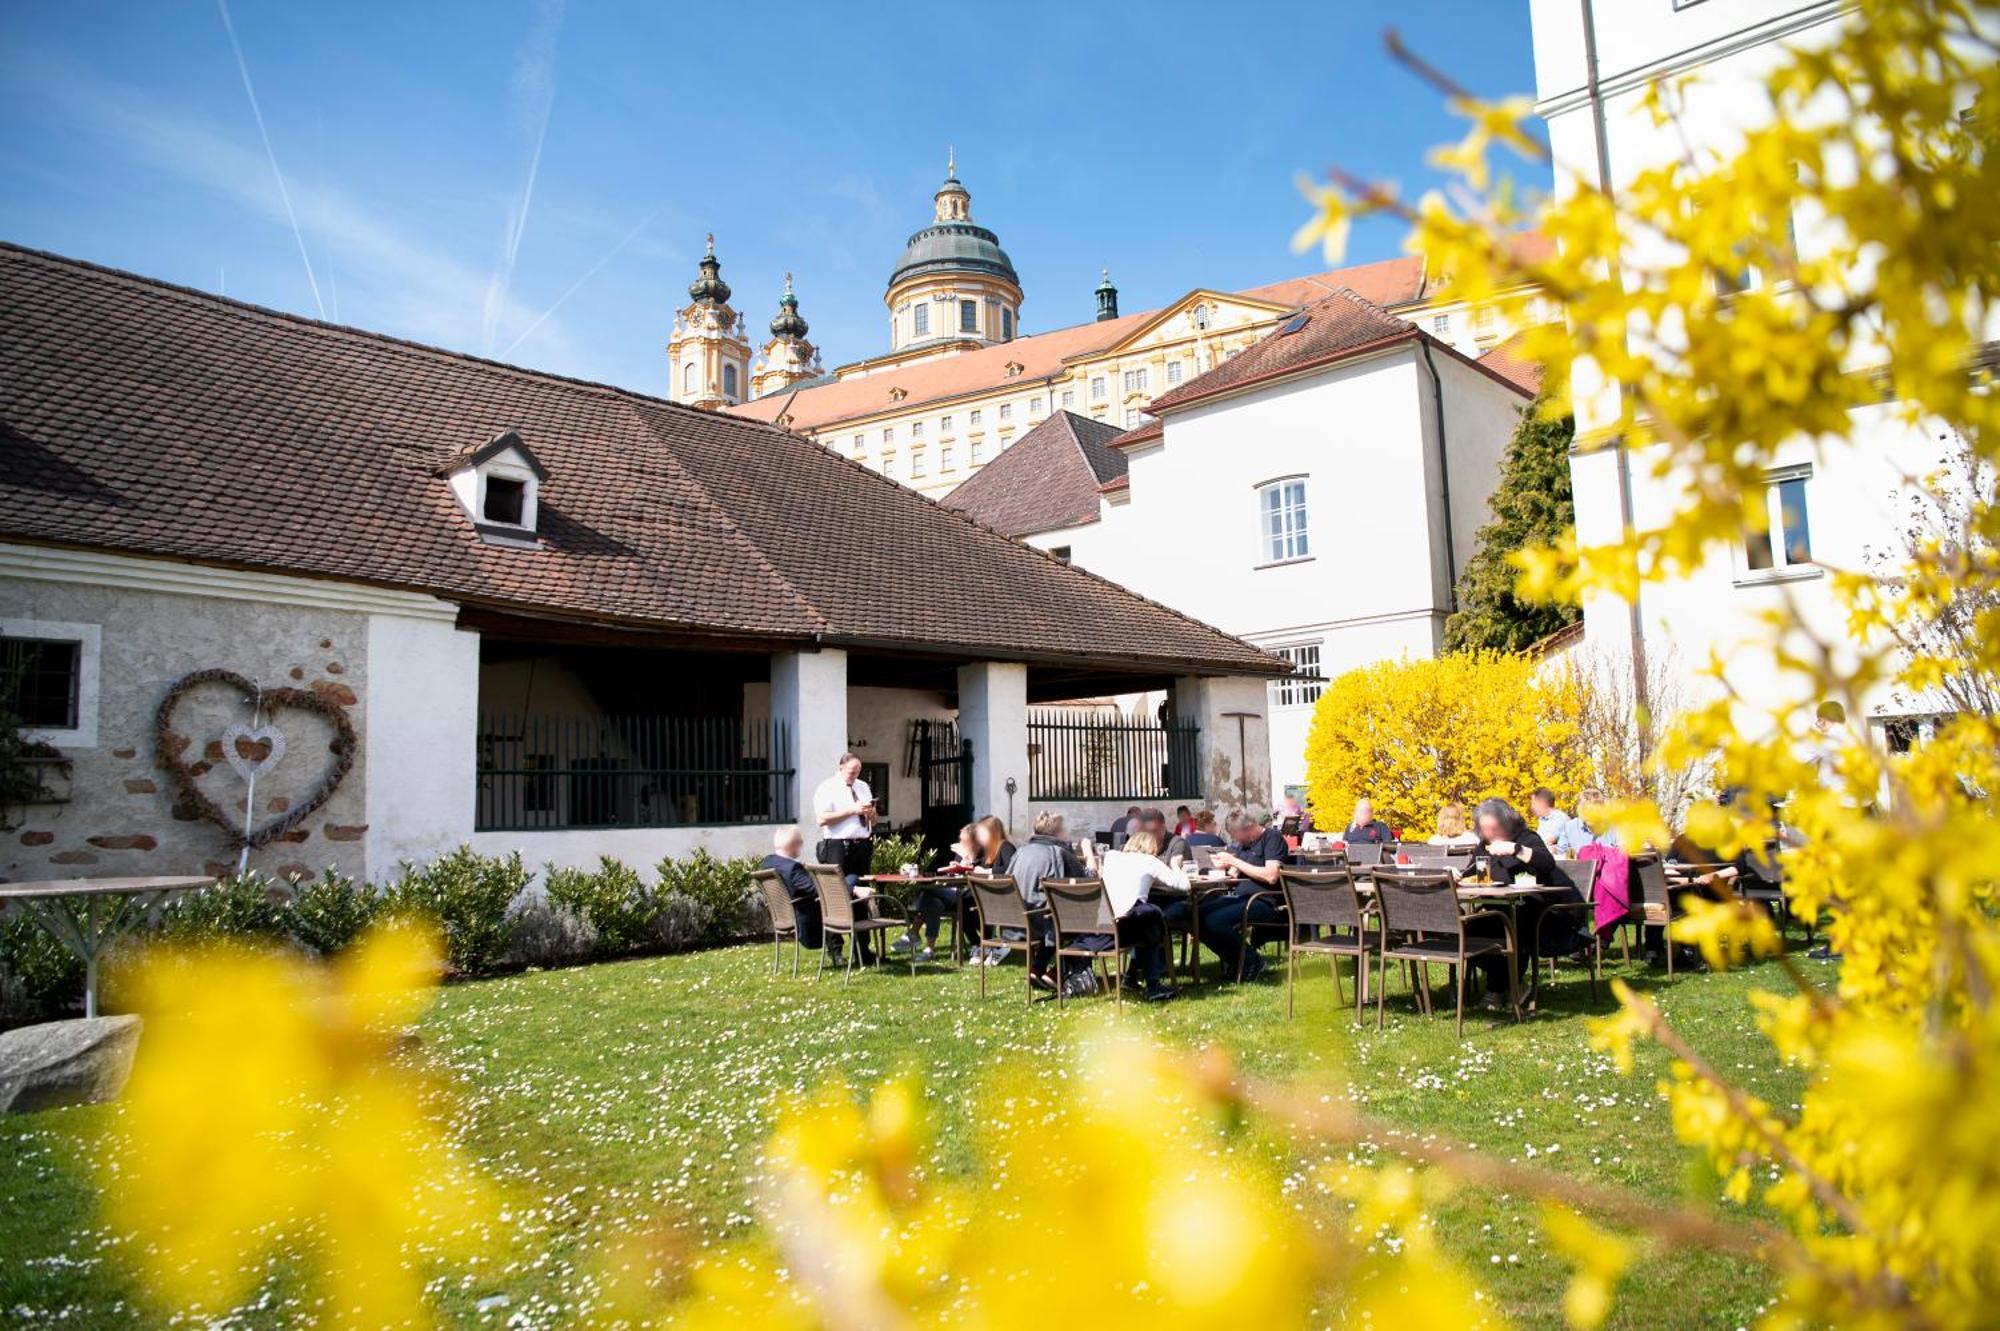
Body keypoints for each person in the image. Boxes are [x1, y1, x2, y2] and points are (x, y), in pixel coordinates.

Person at [1469, 797, 1579, 1009]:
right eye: (1484, 830)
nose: (1489, 835)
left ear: (1507, 824)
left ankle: (1498, 989)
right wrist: (1457, 875)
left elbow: (1546, 863)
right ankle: (1509, 986)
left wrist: (1515, 849)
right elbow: (1472, 870)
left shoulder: (1527, 838)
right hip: (1501, 907)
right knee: (1474, 929)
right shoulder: (1484, 845)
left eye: (1493, 829)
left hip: (1547, 910)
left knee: (1513, 925)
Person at [1162, 811, 1288, 982]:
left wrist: (1235, 862)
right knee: (1194, 913)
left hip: (1264, 900)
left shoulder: (1272, 838)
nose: (1236, 840)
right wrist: (1224, 870)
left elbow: (1271, 875)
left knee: (1215, 920)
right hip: (1239, 896)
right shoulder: (1244, 845)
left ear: (1249, 828)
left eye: (1236, 835)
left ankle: (1251, 960)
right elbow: (1235, 876)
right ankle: (1236, 960)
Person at [1006, 810, 1092, 986]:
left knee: (1056, 915)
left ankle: (1037, 969)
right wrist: (1089, 854)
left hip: (1017, 921)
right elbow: (1088, 883)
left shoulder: (1020, 853)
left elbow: (1006, 880)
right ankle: (1057, 972)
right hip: (1044, 921)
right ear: (1058, 831)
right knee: (1087, 923)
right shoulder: (1059, 853)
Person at [1093, 829, 1180, 1001]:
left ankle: (1131, 978)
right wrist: (1176, 866)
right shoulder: (1149, 861)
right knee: (1149, 921)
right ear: (1151, 848)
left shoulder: (1111, 856)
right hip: (1123, 929)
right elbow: (1183, 885)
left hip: (1100, 928)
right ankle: (1153, 986)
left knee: (1144, 918)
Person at [763, 824, 868, 964]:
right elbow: (819, 889)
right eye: (801, 842)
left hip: (789, 916)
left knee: (851, 879)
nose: (802, 845)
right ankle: (862, 953)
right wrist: (855, 890)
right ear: (794, 844)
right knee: (853, 889)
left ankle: (839, 952)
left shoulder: (768, 862)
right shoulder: (793, 869)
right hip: (809, 922)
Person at [812, 753, 876, 891]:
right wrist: (852, 811)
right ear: (841, 767)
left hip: (862, 845)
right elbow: (821, 819)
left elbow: (874, 821)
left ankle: (861, 913)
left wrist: (871, 813)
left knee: (863, 888)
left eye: (858, 772)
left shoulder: (863, 786)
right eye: (851, 772)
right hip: (839, 846)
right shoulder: (827, 787)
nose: (855, 776)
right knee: (839, 889)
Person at [1530, 787, 1596, 857]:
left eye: (1533, 803)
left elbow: (1543, 843)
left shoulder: (1559, 818)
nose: (1532, 807)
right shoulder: (1542, 819)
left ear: (1542, 803)